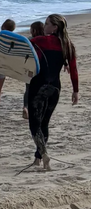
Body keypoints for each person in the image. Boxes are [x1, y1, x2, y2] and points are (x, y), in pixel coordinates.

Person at [27, 13, 80, 170]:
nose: (44, 26)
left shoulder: (41, 40)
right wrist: (75, 91)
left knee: (34, 124)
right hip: (55, 88)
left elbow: (22, 48)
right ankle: (38, 159)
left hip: (38, 86)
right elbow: (74, 70)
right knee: (44, 122)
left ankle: (44, 155)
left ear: (54, 27)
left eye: (47, 23)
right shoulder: (68, 45)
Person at [23, 21, 46, 119]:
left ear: (34, 30)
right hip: (42, 67)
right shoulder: (46, 40)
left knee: (28, 89)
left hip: (30, 67)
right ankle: (38, 109)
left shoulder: (29, 40)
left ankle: (26, 107)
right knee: (41, 88)